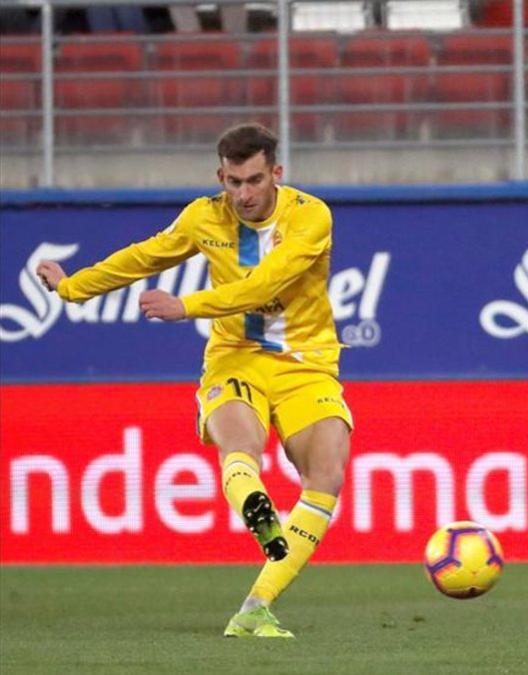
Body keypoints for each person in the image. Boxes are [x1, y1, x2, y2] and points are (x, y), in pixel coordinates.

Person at [35, 123, 352, 640]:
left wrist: (187, 306)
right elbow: (143, 256)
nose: (243, 195)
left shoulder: (310, 216)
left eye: (253, 181)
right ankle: (259, 513)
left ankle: (255, 607)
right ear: (219, 176)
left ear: (276, 173)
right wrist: (73, 287)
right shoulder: (204, 217)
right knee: (241, 441)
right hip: (234, 356)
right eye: (233, 182)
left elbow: (264, 284)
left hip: (306, 362)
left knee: (327, 472)